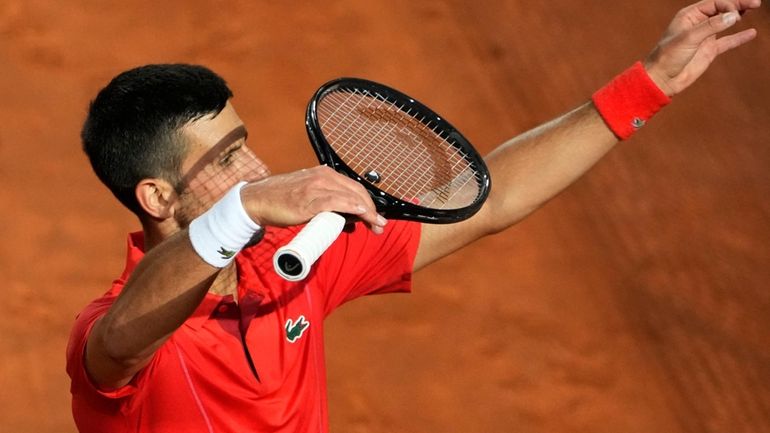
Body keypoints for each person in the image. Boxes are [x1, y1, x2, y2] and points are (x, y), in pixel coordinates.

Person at [66, 1, 761, 432]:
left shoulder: (288, 263)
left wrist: (650, 82)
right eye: (224, 160)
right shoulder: (114, 336)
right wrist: (246, 207)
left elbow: (494, 196)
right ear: (156, 198)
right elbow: (126, 336)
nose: (253, 170)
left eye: (245, 146)